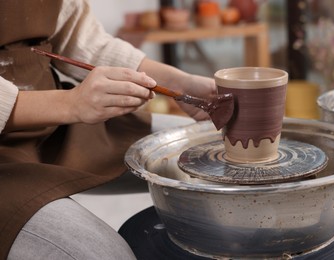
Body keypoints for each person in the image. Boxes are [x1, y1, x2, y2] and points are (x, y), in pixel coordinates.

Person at [0, 0, 215, 259]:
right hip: (17, 147)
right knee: (104, 253)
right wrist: (72, 105)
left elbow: (83, 42)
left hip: (53, 125)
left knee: (207, 152)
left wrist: (181, 83)